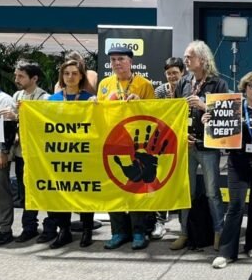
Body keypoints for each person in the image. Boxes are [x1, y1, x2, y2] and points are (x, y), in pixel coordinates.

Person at [211, 71, 252, 269]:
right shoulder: (233, 107)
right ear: (245, 87)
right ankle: (226, 252)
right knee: (236, 206)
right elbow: (217, 129)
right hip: (237, 162)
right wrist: (209, 121)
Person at [95, 46, 155, 250]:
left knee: (136, 188)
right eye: (112, 60)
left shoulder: (144, 84)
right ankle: (118, 231)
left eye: (121, 58)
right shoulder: (104, 84)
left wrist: (141, 103)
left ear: (131, 61)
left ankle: (139, 232)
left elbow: (155, 114)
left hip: (137, 143)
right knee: (114, 188)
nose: (116, 63)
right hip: (112, 142)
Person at [171, 41, 228, 251]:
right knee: (187, 192)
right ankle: (185, 232)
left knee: (213, 192)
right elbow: (174, 113)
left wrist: (205, 106)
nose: (186, 60)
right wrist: (181, 134)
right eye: (185, 56)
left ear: (202, 59)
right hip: (187, 145)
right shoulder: (183, 82)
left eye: (190, 57)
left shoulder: (218, 83)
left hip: (208, 146)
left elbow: (225, 114)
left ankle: (218, 231)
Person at [1, 60, 56, 243]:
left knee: (45, 189)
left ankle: (50, 227)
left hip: (40, 154)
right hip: (21, 153)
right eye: (16, 75)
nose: (17, 79)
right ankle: (29, 227)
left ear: (34, 78)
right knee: (25, 192)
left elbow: (45, 125)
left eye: (21, 76)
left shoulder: (45, 99)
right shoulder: (17, 95)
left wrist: (16, 116)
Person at [47, 60, 95, 248]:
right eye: (66, 73)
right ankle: (64, 230)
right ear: (62, 76)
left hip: (84, 153)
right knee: (61, 192)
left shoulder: (90, 99)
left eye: (75, 73)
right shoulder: (53, 100)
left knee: (85, 192)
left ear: (81, 76)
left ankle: (87, 230)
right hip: (61, 154)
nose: (70, 77)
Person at [150, 56, 186, 240]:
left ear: (183, 73)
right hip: (163, 144)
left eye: (175, 73)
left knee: (183, 183)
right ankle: (159, 221)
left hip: (184, 143)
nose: (172, 76)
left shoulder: (188, 90)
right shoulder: (160, 91)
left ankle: (184, 225)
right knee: (159, 180)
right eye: (169, 73)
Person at [0, 88, 17, 246]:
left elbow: (9, 129)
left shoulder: (4, 99)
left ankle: (5, 229)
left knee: (2, 191)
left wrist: (3, 152)